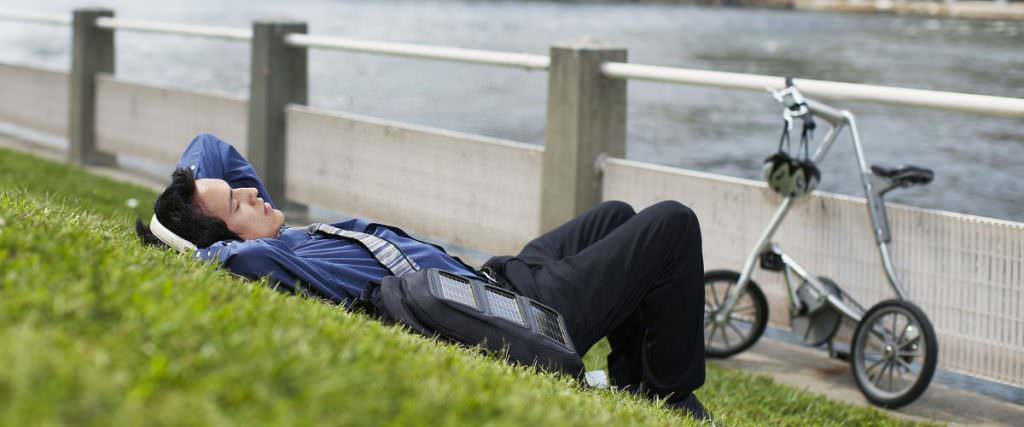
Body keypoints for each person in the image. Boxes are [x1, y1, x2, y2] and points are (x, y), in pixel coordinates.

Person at [137, 133, 711, 421]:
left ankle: (637, 378)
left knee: (615, 218)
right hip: (506, 311)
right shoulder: (264, 260)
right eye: (238, 204)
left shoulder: (284, 237)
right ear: (230, 241)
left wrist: (188, 195)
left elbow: (209, 148)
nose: (253, 194)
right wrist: (187, 239)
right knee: (672, 225)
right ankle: (669, 395)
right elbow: (217, 257)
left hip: (491, 277)